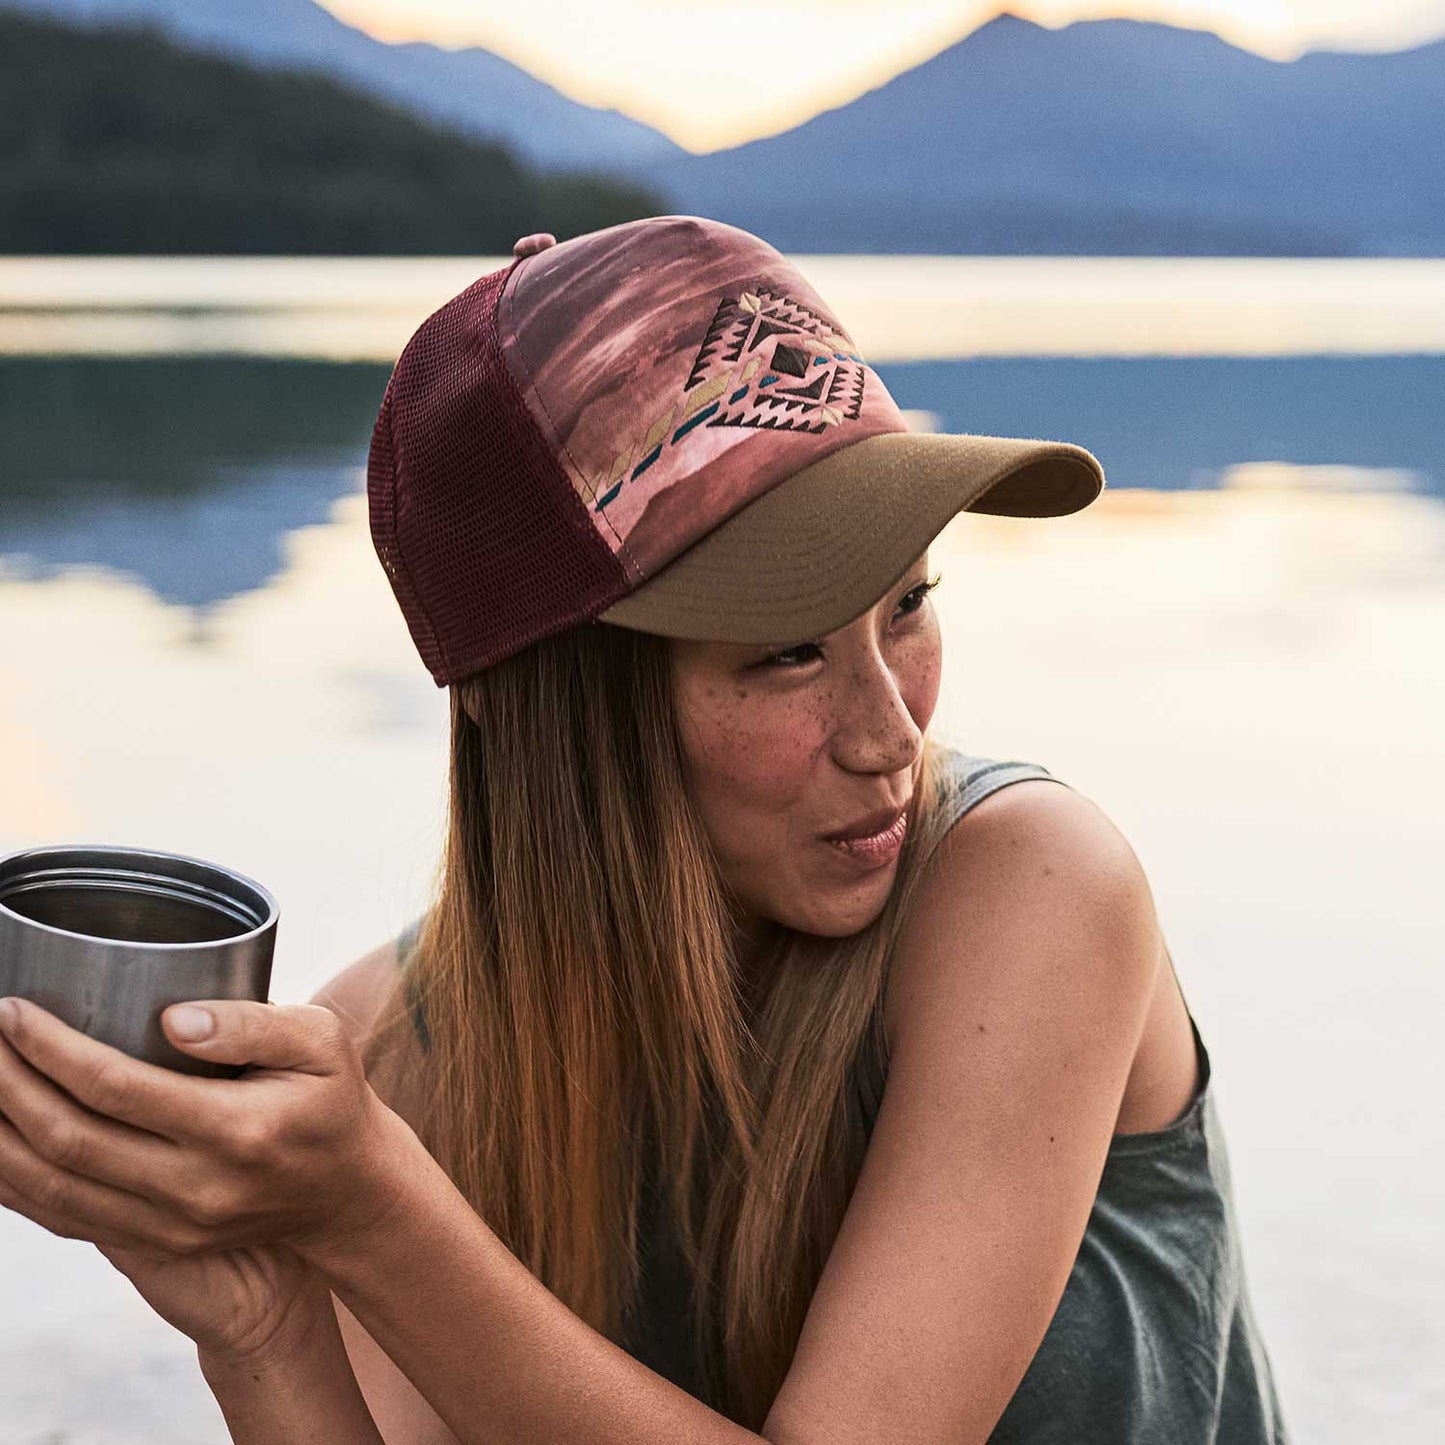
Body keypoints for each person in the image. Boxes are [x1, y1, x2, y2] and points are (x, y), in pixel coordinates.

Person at [0, 215, 1290, 1444]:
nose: (890, 732)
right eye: (788, 653)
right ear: (572, 719)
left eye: (909, 603)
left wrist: (380, 1216)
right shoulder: (402, 1057)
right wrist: (264, 1318)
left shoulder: (1028, 885)